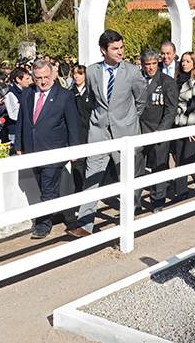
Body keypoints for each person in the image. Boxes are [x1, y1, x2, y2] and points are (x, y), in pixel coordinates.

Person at [67, 29, 147, 238]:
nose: (120, 52)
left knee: (126, 175)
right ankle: (85, 224)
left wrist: (127, 120)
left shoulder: (132, 72)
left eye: (121, 47)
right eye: (115, 48)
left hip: (126, 132)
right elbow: (94, 99)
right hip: (99, 130)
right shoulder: (92, 72)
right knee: (92, 174)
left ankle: (129, 218)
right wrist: (103, 119)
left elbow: (141, 100)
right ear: (103, 50)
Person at [15, 59, 80, 239]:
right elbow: (22, 120)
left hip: (54, 150)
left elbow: (73, 125)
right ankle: (65, 214)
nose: (43, 81)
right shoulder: (27, 94)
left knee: (48, 187)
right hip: (32, 150)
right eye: (38, 78)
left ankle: (43, 224)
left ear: (52, 75)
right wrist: (19, 145)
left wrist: (74, 149)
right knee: (42, 185)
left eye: (46, 77)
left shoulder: (65, 96)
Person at [139, 49, 178, 212]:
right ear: (142, 65)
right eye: (147, 64)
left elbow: (171, 110)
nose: (150, 68)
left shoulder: (167, 81)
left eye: (154, 64)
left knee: (159, 168)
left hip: (158, 131)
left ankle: (157, 201)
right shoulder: (137, 79)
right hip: (139, 131)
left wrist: (161, 131)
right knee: (137, 169)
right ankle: (134, 203)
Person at [173, 51, 195, 201]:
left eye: (188, 61)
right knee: (179, 159)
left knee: (188, 158)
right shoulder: (176, 80)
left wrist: (191, 127)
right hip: (178, 124)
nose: (184, 64)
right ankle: (182, 192)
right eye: (183, 61)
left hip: (193, 125)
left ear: (194, 64)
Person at [70, 64, 93, 196]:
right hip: (76, 135)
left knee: (89, 164)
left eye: (80, 73)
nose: (76, 76)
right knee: (77, 165)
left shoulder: (91, 92)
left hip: (90, 133)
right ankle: (79, 193)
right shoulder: (70, 93)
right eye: (75, 73)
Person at [4, 67, 33, 145]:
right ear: (18, 79)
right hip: (15, 131)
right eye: (26, 79)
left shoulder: (26, 91)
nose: (29, 81)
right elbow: (14, 115)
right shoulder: (11, 93)